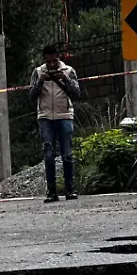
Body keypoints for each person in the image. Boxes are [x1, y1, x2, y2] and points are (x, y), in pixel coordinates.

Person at [29, 44, 83, 203]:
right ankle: (51, 192)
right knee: (49, 155)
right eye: (48, 62)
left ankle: (70, 189)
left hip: (64, 115)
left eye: (54, 61)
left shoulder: (69, 71)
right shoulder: (38, 72)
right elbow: (31, 95)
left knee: (67, 154)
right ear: (44, 60)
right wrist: (40, 82)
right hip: (45, 117)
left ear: (58, 58)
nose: (51, 65)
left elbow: (76, 92)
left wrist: (64, 79)